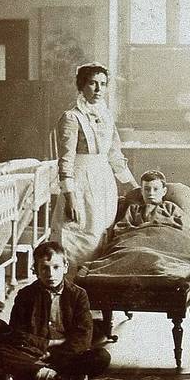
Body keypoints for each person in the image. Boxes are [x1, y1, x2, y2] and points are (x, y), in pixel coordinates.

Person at [0, 241, 110, 380]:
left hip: (66, 354)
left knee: (101, 357)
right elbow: (17, 333)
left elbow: (82, 336)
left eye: (56, 267)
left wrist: (55, 354)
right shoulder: (25, 295)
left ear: (65, 267)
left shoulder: (78, 295)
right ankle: (59, 379)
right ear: (36, 270)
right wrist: (47, 344)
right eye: (44, 268)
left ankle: (37, 374)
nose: (50, 274)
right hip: (33, 353)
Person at [52, 62, 136, 271]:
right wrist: (70, 195)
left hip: (103, 182)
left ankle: (94, 292)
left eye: (103, 84)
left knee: (101, 233)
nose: (99, 89)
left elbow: (115, 155)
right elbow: (65, 161)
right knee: (77, 234)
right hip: (80, 183)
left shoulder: (106, 116)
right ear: (82, 86)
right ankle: (69, 289)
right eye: (93, 83)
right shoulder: (71, 117)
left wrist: (133, 185)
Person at [116, 170, 187, 233]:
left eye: (155, 189)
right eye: (147, 189)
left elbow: (183, 226)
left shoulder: (170, 207)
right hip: (139, 241)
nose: (151, 193)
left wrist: (151, 225)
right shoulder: (134, 209)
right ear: (141, 191)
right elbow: (121, 228)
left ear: (164, 191)